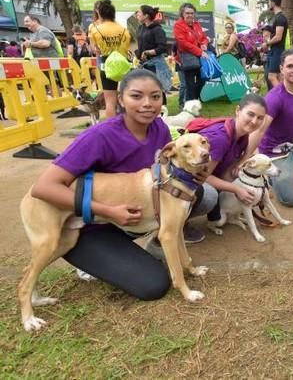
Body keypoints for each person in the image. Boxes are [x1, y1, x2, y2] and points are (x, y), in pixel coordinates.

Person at [28, 69, 216, 300]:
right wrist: (107, 210)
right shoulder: (98, 136)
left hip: (131, 215)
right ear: (120, 99)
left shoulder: (159, 128)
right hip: (93, 223)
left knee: (203, 194)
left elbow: (164, 171)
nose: (147, 104)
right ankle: (90, 259)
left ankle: (157, 241)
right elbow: (42, 188)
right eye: (136, 96)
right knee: (153, 286)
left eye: (155, 97)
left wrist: (194, 172)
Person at [247, 49, 293, 206]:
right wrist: (246, 158)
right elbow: (259, 130)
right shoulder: (275, 97)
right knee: (291, 199)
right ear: (281, 69)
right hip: (274, 154)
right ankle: (270, 177)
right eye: (289, 66)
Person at [198, 94, 267, 222]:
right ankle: (180, 222)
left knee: (240, 175)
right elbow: (202, 177)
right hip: (186, 180)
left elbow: (226, 171)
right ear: (238, 111)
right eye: (250, 114)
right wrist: (236, 189)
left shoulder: (242, 136)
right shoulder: (220, 138)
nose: (254, 121)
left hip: (209, 174)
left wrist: (238, 164)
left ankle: (221, 210)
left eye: (260, 118)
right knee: (209, 196)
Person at [89, 0, 132, 118]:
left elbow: (95, 50)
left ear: (100, 13)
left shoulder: (95, 30)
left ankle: (112, 127)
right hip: (123, 65)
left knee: (110, 102)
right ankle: (131, 122)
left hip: (106, 65)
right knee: (129, 97)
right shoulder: (124, 30)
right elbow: (126, 47)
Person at [173, 3, 209, 101]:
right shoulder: (178, 25)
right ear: (182, 14)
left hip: (200, 57)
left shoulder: (197, 25)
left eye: (192, 13)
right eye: (187, 13)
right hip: (187, 57)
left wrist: (204, 44)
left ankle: (193, 101)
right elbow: (183, 43)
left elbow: (204, 38)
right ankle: (190, 105)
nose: (190, 15)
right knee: (190, 84)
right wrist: (199, 52)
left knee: (202, 80)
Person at [135, 5, 172, 96]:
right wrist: (138, 54)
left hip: (155, 66)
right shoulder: (141, 28)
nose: (137, 14)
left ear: (146, 15)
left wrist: (147, 52)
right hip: (143, 64)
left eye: (139, 12)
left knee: (157, 91)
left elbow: (162, 48)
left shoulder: (157, 29)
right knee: (145, 91)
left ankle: (162, 109)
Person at [262, 0, 288, 88]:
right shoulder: (277, 17)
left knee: (272, 76)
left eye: (269, 2)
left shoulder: (280, 18)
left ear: (273, 2)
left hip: (277, 51)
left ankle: (281, 97)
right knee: (279, 77)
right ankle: (283, 98)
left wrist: (267, 43)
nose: (268, 4)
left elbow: (278, 37)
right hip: (275, 51)